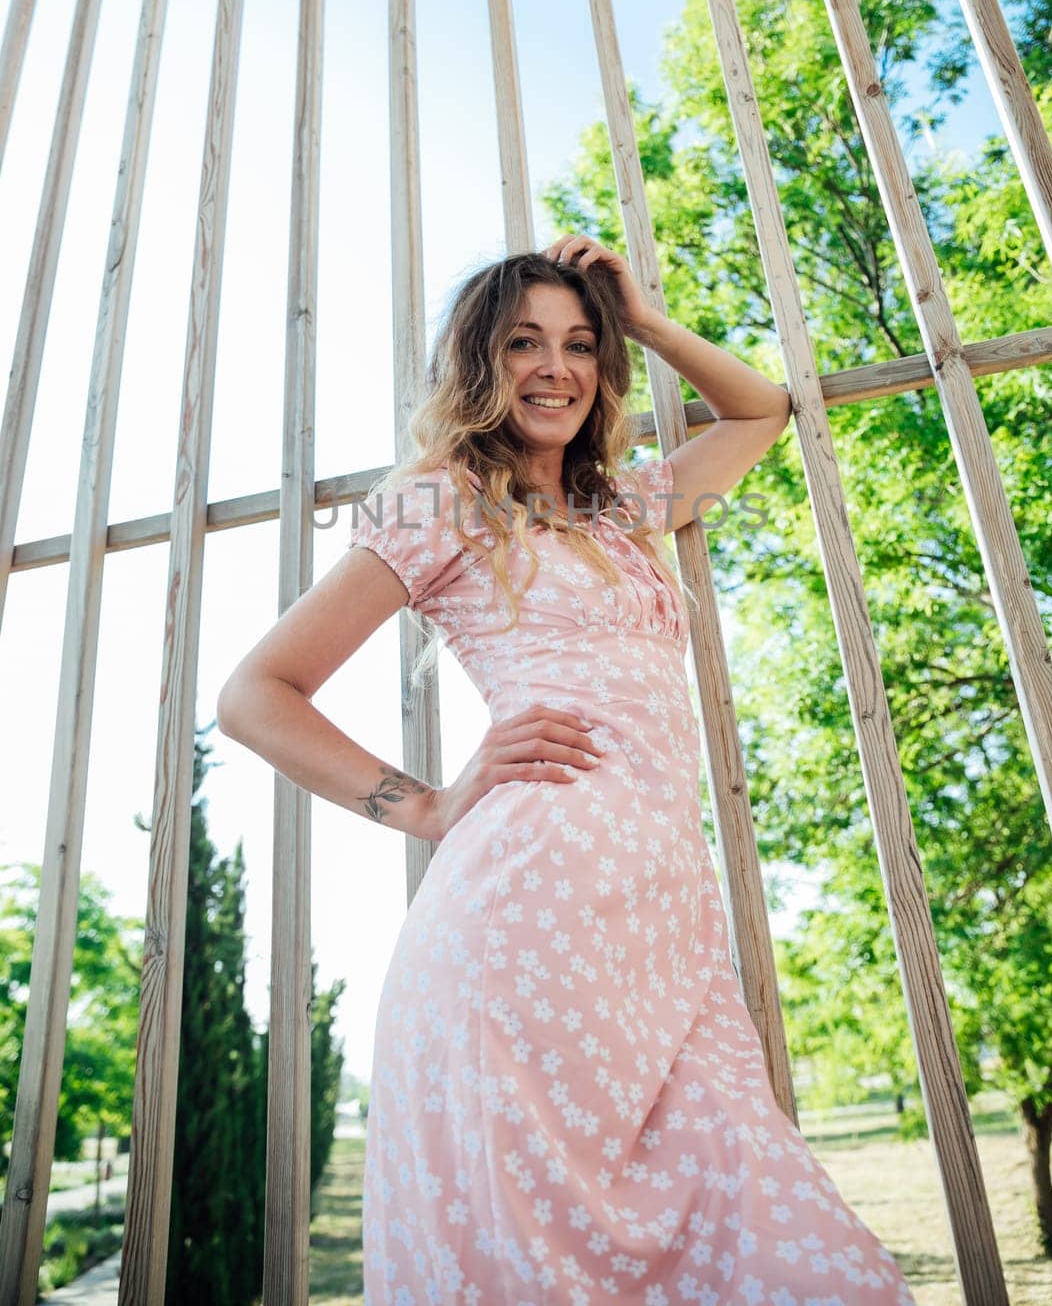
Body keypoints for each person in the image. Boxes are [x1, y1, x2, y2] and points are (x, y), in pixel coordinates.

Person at [217, 235, 917, 1304]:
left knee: (780, 1239)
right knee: (533, 1259)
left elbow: (758, 412)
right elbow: (255, 692)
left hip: (663, 938)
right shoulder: (440, 501)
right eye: (524, 343)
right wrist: (428, 804)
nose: (555, 367)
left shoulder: (622, 507)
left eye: (578, 344)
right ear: (477, 363)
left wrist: (635, 314)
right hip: (520, 931)